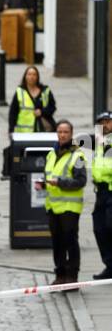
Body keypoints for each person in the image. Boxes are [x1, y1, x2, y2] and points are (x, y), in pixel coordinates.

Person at [40, 119, 88, 286]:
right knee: (57, 242)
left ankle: (72, 275)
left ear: (71, 134)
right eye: (60, 132)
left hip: (70, 206)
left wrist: (59, 182)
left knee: (70, 241)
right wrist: (43, 184)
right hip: (53, 206)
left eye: (66, 132)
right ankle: (60, 274)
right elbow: (48, 175)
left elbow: (81, 181)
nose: (62, 135)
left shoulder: (78, 156)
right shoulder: (51, 154)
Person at [92, 111, 112, 280]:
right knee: (99, 229)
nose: (104, 125)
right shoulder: (99, 142)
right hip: (101, 191)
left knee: (110, 226)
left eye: (108, 122)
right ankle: (110, 265)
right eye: (101, 122)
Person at [9, 65, 56, 134]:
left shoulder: (45, 91)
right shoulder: (20, 91)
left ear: (37, 77)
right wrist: (11, 129)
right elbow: (13, 112)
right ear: (25, 77)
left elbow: (52, 107)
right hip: (24, 132)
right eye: (29, 74)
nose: (31, 77)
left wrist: (42, 112)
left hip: (43, 129)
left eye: (34, 74)